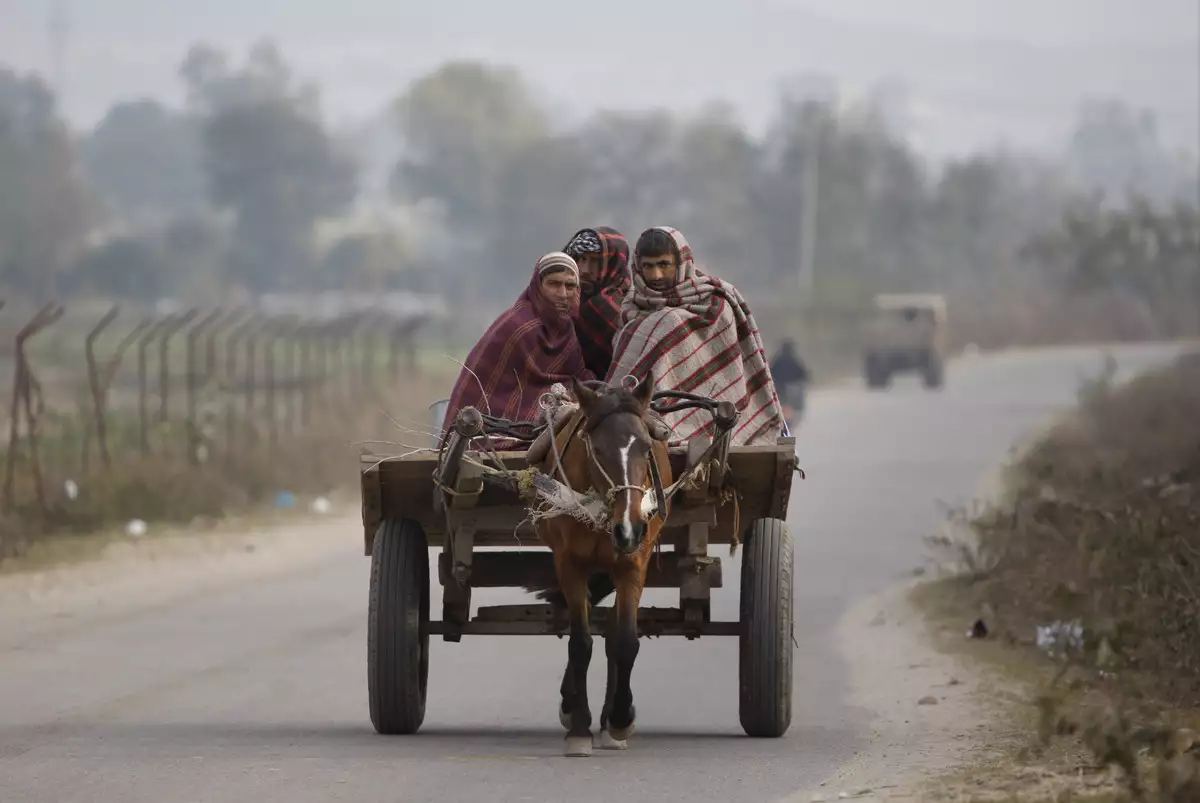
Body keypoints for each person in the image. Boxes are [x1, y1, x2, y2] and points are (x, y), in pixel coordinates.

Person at [606, 226, 786, 445]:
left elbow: (729, 374)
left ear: (682, 263)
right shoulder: (631, 307)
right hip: (639, 423)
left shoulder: (715, 304)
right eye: (648, 266)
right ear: (637, 267)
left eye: (664, 265)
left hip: (717, 421)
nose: (656, 275)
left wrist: (666, 324)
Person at [442, 252, 595, 435]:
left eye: (570, 286)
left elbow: (575, 377)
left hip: (546, 419)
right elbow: (488, 392)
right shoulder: (517, 326)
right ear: (538, 286)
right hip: (492, 431)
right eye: (554, 284)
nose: (563, 294)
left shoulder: (567, 329)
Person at [562, 226, 631, 379]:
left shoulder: (628, 308)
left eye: (595, 261)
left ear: (613, 263)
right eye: (580, 259)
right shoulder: (560, 299)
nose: (584, 269)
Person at [770, 338, 811, 419]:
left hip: (779, 388)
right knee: (792, 410)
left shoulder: (777, 359)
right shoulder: (794, 359)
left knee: (782, 407)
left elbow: (770, 372)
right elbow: (802, 373)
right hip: (790, 389)